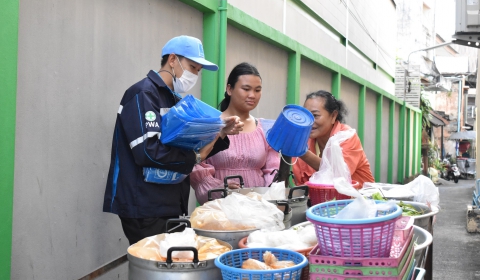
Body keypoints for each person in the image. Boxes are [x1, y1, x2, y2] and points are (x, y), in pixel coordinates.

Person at [103, 35, 243, 245]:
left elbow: (191, 146)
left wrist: (220, 133)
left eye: (198, 70)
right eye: (192, 67)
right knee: (157, 269)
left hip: (171, 203)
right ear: (172, 60)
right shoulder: (142, 94)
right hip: (144, 205)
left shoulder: (177, 101)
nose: (195, 74)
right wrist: (195, 156)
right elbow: (147, 151)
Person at [190, 63, 280, 204]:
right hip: (219, 208)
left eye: (257, 90)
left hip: (258, 208)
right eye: (246, 89)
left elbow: (272, 170)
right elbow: (197, 170)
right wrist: (221, 189)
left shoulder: (265, 128)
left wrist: (267, 197)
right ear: (229, 89)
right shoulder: (209, 125)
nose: (252, 95)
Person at [292, 90, 374, 187]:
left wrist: (303, 153)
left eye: (315, 115)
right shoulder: (304, 141)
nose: (309, 122)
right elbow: (302, 185)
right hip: (320, 201)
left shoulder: (347, 136)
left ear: (333, 116)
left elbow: (338, 175)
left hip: (359, 199)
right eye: (306, 116)